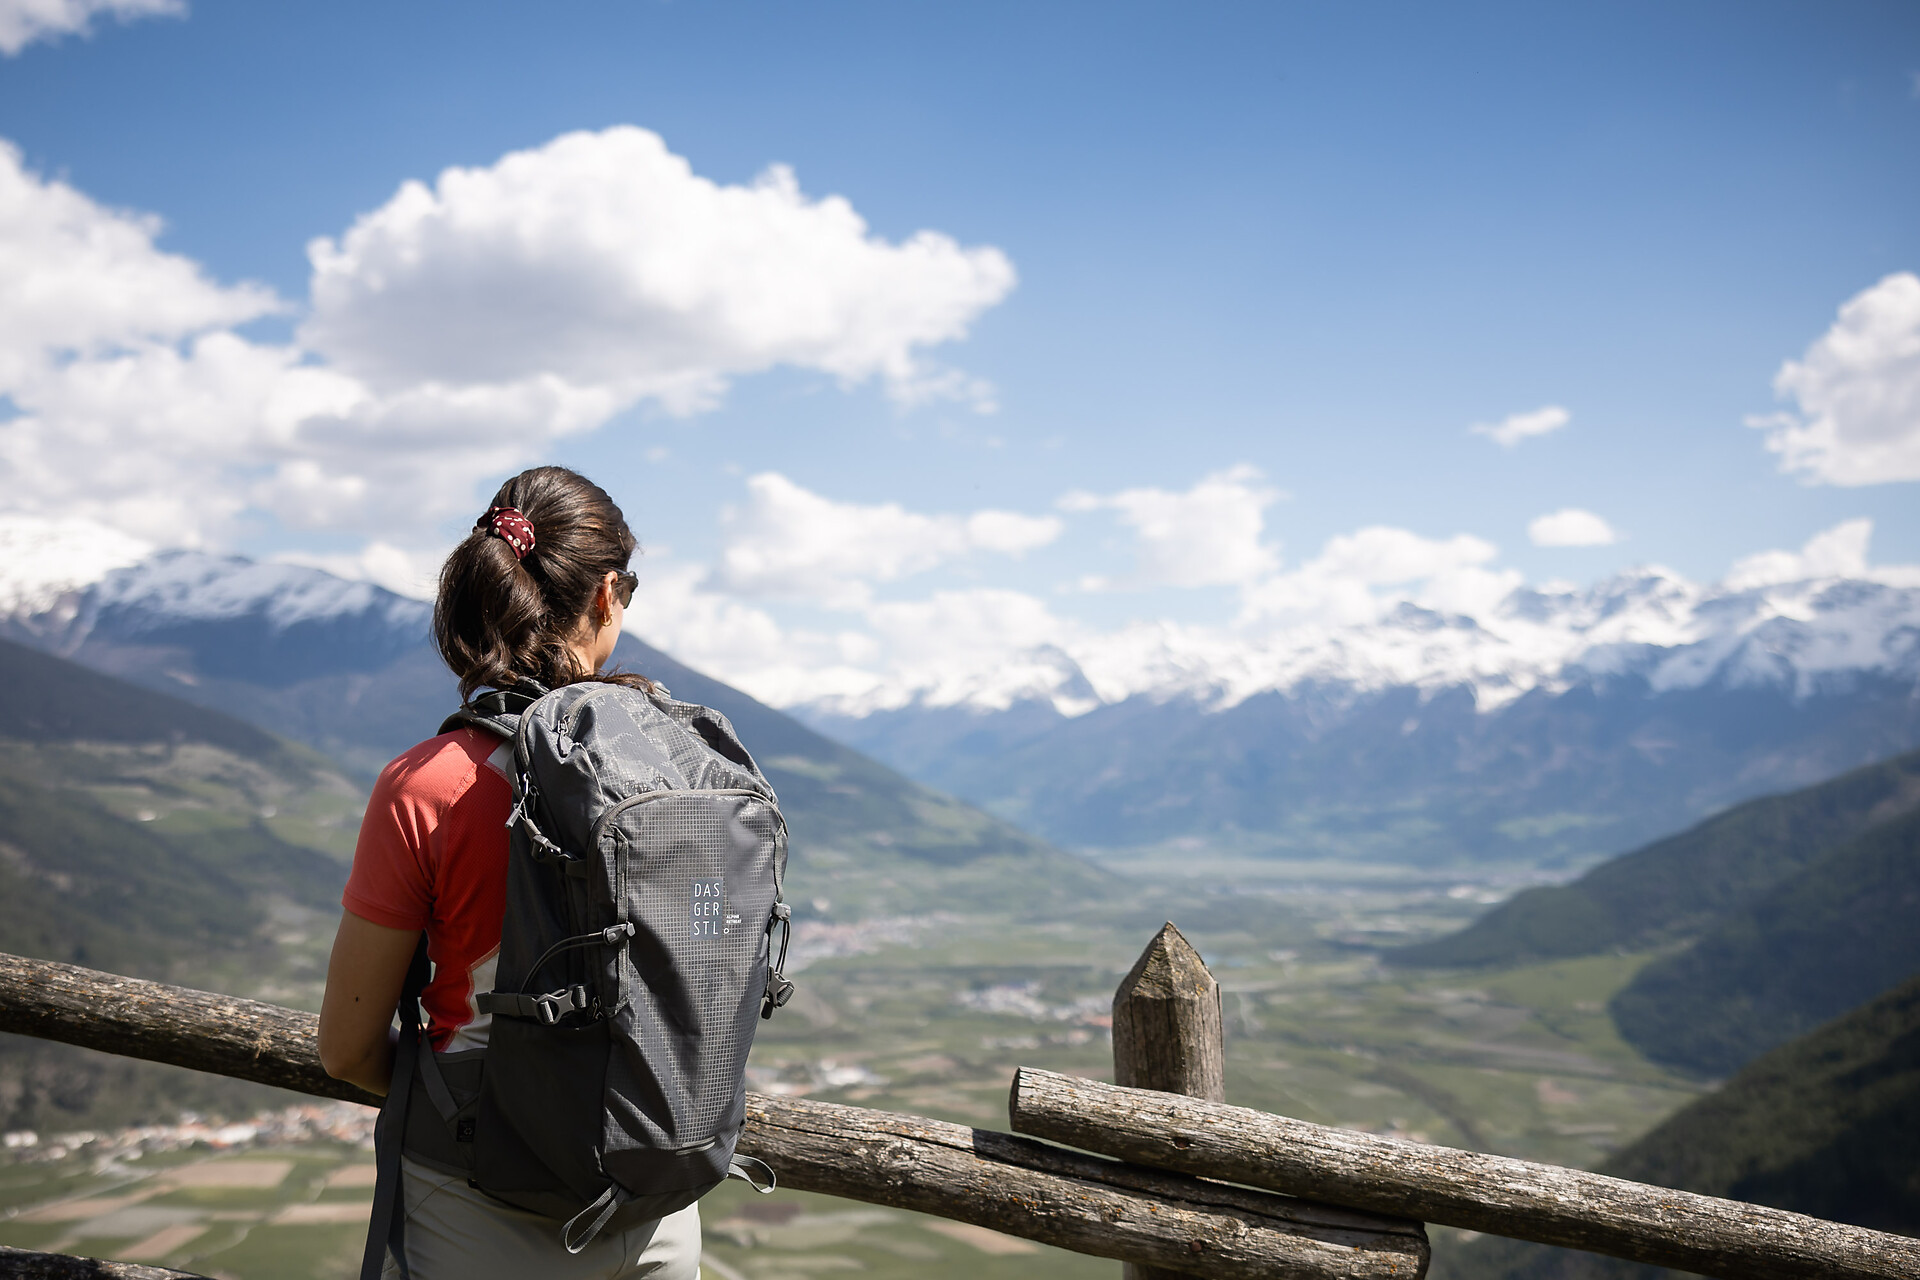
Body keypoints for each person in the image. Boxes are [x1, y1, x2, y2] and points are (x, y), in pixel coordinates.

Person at [317, 466, 699, 1279]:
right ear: (606, 594)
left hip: (477, 1198)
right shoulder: (680, 768)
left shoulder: (428, 787)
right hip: (658, 1195)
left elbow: (347, 1049)